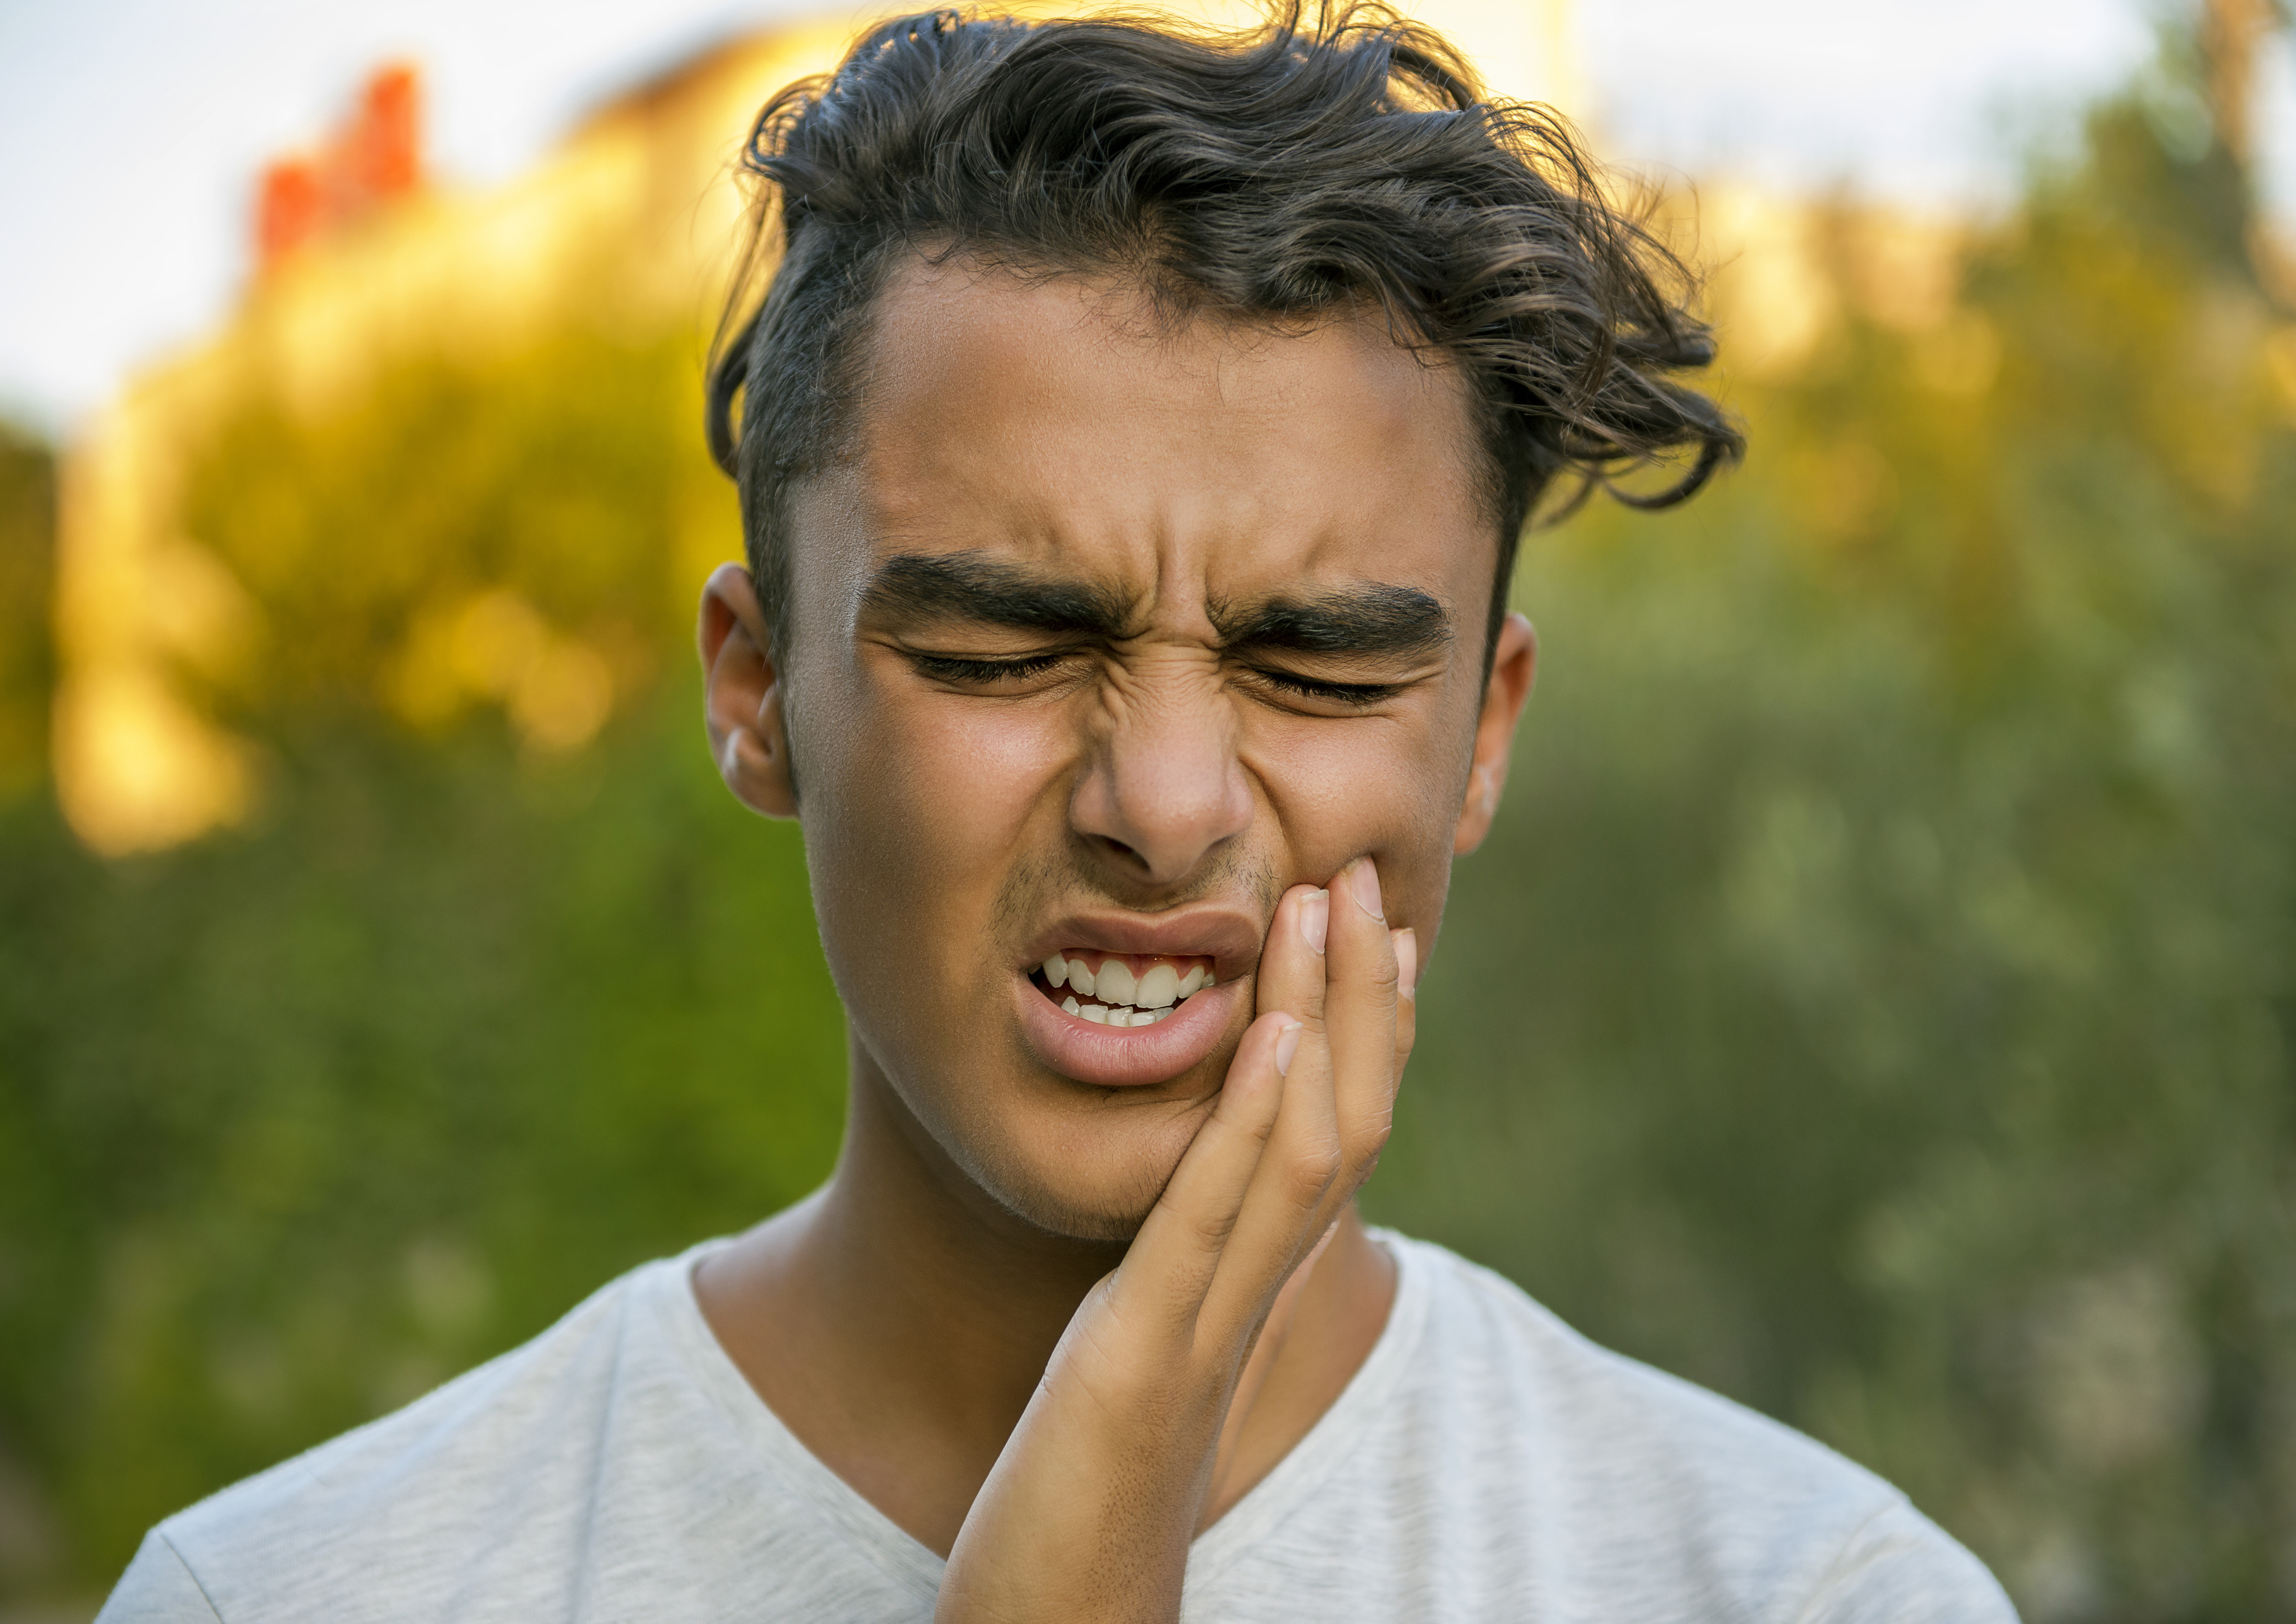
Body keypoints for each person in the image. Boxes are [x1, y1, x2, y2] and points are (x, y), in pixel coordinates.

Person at [100, 5, 2019, 1620]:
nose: (1165, 809)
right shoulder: (283, 1594)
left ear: (1483, 732)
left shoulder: (1811, 1594)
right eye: (1007, 648)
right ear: (759, 691)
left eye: (1322, 667)